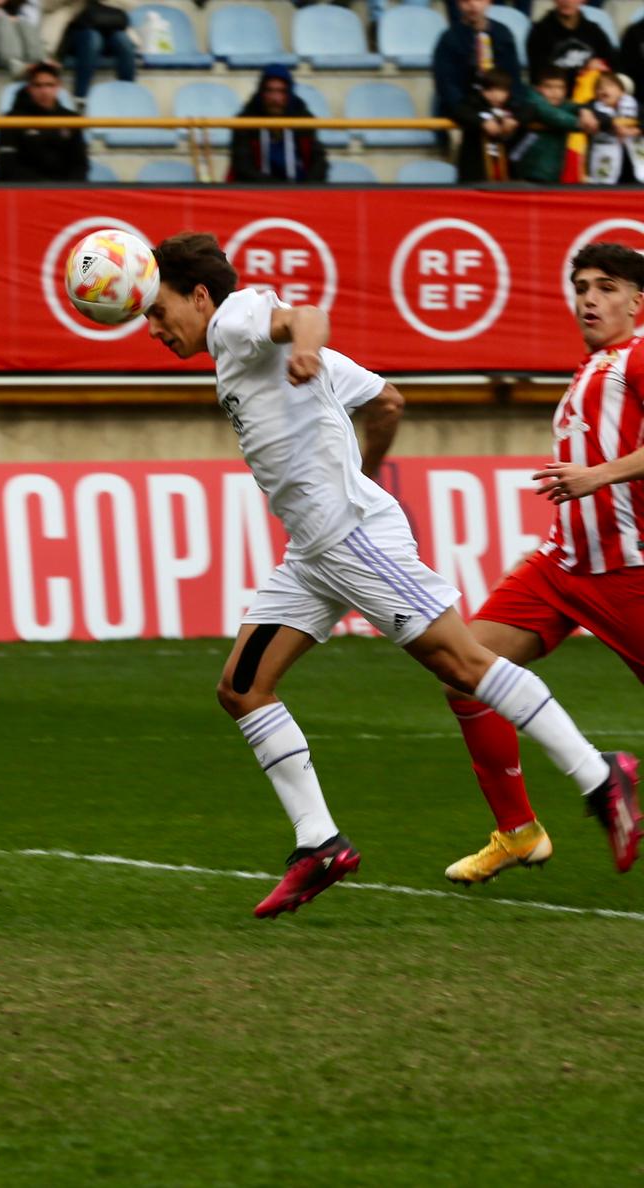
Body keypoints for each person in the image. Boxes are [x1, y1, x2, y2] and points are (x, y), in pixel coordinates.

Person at [138, 232, 637, 919]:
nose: (154, 328)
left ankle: (598, 774)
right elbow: (389, 401)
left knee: (465, 664)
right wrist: (365, 470)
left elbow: (304, 315)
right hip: (314, 552)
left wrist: (308, 348)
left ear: (198, 296)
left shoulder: (235, 322)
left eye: (160, 312)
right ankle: (319, 844)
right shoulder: (250, 353)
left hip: (350, 539)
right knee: (242, 688)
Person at [442, 243, 644, 883]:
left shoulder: (638, 358)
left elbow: (599, 473)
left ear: (638, 303)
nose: (589, 298)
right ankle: (517, 830)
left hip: (628, 572)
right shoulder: (591, 368)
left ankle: (615, 784)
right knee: (461, 668)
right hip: (561, 568)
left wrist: (598, 476)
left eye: (607, 287)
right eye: (581, 285)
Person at [227, 64, 327, 184]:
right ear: (262, 92)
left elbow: (319, 162)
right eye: (270, 91)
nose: (275, 98)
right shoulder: (245, 120)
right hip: (258, 191)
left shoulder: (303, 118)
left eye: (281, 91)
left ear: (289, 93)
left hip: (299, 191)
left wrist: (305, 188)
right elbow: (243, 167)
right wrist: (278, 188)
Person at [432, 0, 524, 128]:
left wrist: (509, 114)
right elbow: (447, 88)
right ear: (458, 4)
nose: (473, 5)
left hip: (501, 109)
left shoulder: (503, 34)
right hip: (464, 114)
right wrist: (476, 118)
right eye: (466, 1)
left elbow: (514, 80)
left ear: (489, 2)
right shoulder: (449, 39)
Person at [0, 61, 88, 180]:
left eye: (49, 85)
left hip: (64, 192)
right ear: (29, 88)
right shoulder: (11, 120)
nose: (44, 91)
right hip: (25, 192)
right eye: (38, 85)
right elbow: (7, 166)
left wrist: (65, 190)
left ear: (58, 86)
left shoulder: (72, 119)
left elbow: (80, 165)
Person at [511, 66, 597, 181]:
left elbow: (575, 106)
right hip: (527, 170)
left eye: (560, 87)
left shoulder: (563, 105)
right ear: (538, 88)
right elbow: (551, 115)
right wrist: (581, 124)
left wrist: (585, 111)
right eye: (549, 87)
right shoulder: (532, 101)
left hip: (552, 172)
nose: (555, 92)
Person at [43, 0, 137, 104]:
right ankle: (80, 98)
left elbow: (131, 5)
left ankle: (129, 95)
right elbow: (47, 5)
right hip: (73, 31)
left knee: (123, 40)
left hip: (110, 23)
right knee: (92, 38)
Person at [527, 0, 616, 90]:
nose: (567, 1)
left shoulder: (594, 31)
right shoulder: (540, 32)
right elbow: (538, 75)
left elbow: (613, 65)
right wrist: (584, 70)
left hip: (591, 93)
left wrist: (601, 67)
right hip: (555, 95)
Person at [453, 68, 519, 181]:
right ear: (481, 91)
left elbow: (530, 110)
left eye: (500, 90)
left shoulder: (513, 105)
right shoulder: (473, 103)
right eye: (489, 90)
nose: (495, 95)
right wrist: (482, 122)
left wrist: (515, 120)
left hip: (506, 173)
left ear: (508, 91)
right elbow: (457, 111)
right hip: (475, 174)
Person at [584, 71, 641, 184]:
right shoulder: (591, 108)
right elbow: (593, 116)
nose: (604, 90)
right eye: (599, 88)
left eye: (610, 86)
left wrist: (636, 130)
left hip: (634, 170)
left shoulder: (635, 105)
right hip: (606, 169)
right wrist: (614, 125)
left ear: (622, 91)